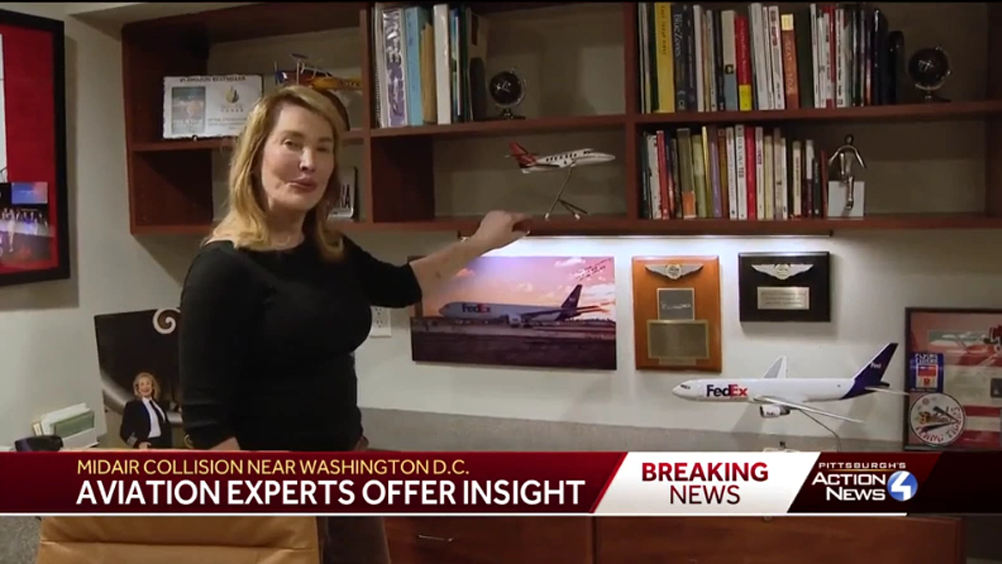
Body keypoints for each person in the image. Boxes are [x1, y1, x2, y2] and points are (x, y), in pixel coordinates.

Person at [177, 84, 528, 563]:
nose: (310, 162)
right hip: (274, 495)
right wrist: (265, 517)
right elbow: (205, 425)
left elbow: (401, 285)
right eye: (293, 143)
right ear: (255, 153)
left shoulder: (327, 248)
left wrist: (479, 243)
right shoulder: (222, 268)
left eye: (324, 149)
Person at [119, 372, 174, 449]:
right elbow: (124, 432)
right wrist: (138, 444)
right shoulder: (132, 406)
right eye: (142, 384)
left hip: (164, 446)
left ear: (153, 386)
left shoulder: (158, 404)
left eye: (148, 383)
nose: (145, 387)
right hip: (147, 447)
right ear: (138, 388)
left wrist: (180, 408)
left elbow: (169, 404)